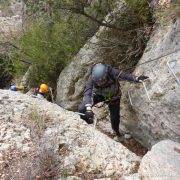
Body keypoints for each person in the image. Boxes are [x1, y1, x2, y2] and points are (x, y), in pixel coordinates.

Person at [78, 63, 149, 137]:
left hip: (114, 97)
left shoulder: (112, 72)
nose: (100, 83)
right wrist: (88, 109)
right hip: (99, 95)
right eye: (98, 82)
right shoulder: (92, 78)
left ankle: (116, 132)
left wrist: (137, 78)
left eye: (102, 80)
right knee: (82, 108)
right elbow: (88, 93)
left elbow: (124, 76)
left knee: (115, 118)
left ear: (106, 75)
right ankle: (88, 123)